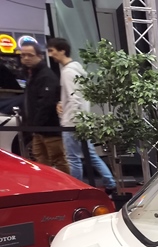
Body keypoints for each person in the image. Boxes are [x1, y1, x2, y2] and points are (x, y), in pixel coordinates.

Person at [46, 38, 116, 192]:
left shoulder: (68, 72)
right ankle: (110, 183)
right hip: (81, 120)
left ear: (62, 50)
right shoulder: (76, 69)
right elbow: (76, 96)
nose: (50, 54)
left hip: (73, 122)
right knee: (89, 155)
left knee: (73, 158)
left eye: (52, 50)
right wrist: (63, 103)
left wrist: (73, 120)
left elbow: (75, 98)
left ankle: (78, 187)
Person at [19, 41, 68, 173]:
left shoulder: (46, 76)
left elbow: (46, 103)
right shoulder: (31, 74)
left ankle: (66, 184)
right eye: (23, 55)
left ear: (39, 56)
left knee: (58, 160)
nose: (26, 58)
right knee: (40, 160)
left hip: (49, 128)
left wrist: (35, 125)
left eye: (30, 55)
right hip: (38, 129)